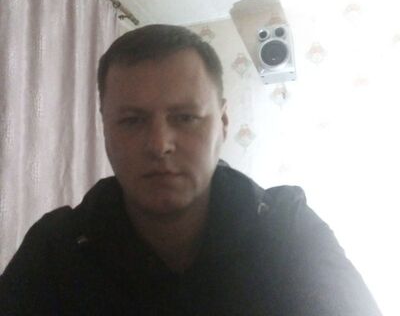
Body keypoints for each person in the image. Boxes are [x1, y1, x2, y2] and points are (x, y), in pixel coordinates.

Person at [0, 24, 382, 315]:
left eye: (185, 118)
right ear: (105, 128)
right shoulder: (57, 249)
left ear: (224, 123)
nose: (159, 144)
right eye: (132, 121)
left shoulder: (287, 230)